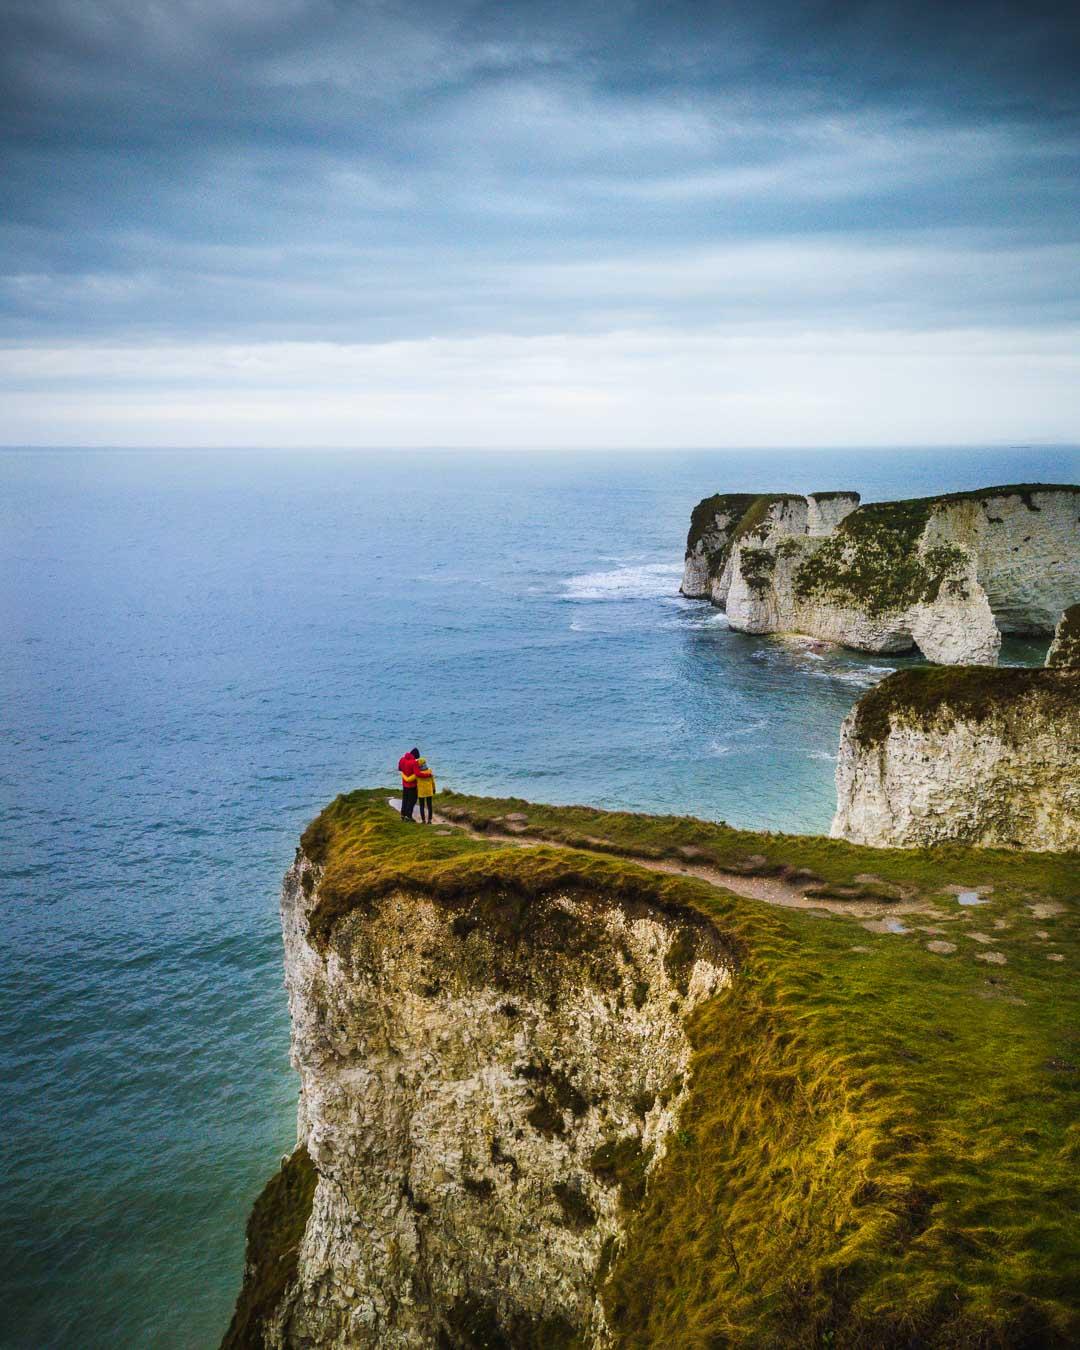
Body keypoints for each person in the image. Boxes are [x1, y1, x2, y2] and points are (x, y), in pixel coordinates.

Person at [398, 747, 421, 821]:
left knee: (405, 799)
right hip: (412, 785)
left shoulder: (402, 759)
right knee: (412, 800)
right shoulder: (414, 762)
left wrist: (406, 774)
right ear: (415, 755)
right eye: (416, 758)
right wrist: (428, 774)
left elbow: (399, 769)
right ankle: (409, 816)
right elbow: (417, 774)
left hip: (405, 784)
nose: (416, 759)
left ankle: (403, 814)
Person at [415, 757, 436, 823]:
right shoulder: (429, 770)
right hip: (429, 790)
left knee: (421, 806)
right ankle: (429, 820)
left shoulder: (418, 773)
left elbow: (416, 782)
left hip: (421, 791)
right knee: (429, 806)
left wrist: (416, 790)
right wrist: (434, 789)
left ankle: (423, 820)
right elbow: (433, 781)